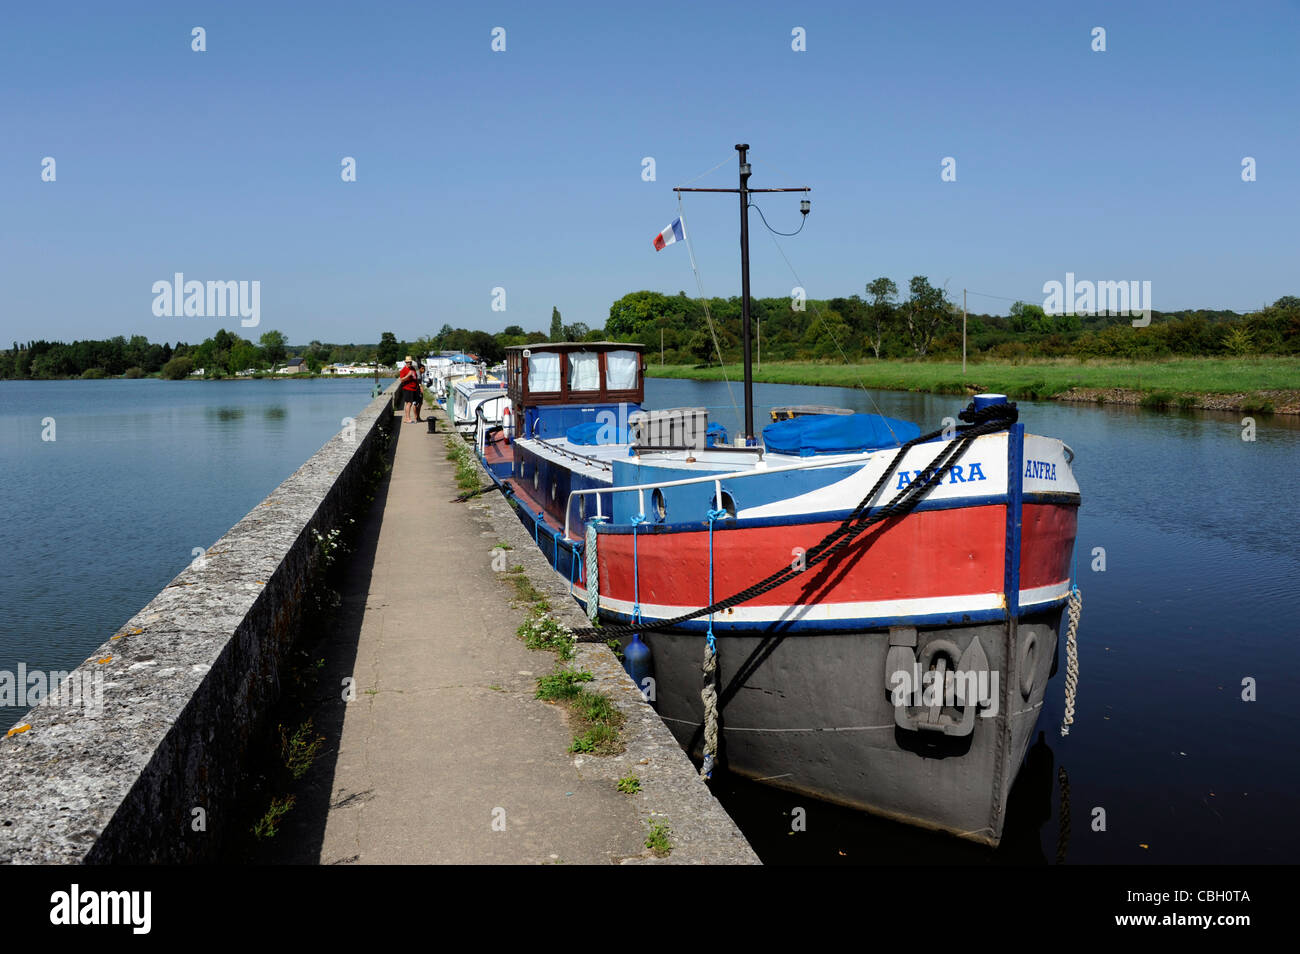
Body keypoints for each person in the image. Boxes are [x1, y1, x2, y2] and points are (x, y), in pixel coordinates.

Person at [398, 356, 421, 423]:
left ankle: (407, 418)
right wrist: (408, 375)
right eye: (408, 362)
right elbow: (401, 379)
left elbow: (415, 378)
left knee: (412, 403)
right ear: (405, 362)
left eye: (410, 362)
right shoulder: (403, 370)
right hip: (407, 388)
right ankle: (407, 418)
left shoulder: (413, 368)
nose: (409, 363)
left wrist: (418, 386)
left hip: (413, 388)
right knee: (409, 403)